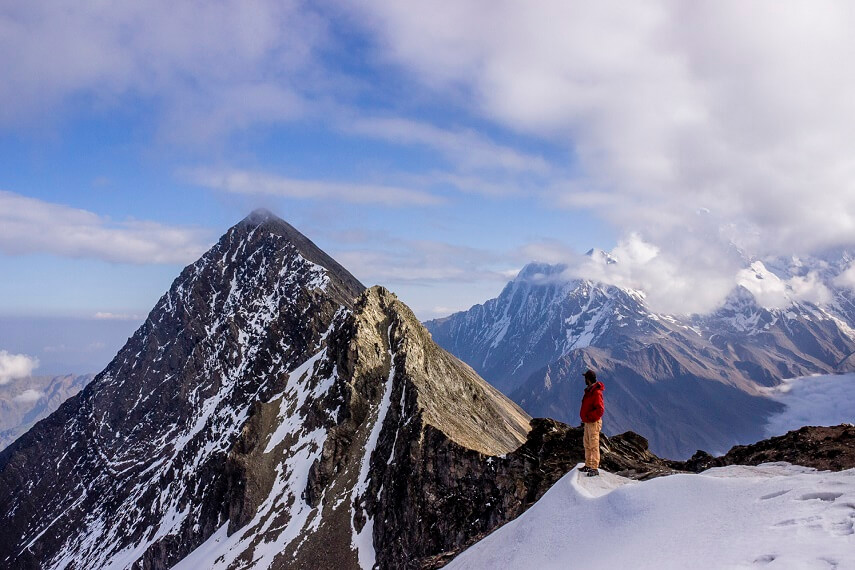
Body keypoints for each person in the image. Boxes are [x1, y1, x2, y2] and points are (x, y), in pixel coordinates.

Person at [579, 368, 604, 477]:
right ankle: (588, 465)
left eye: (585, 378)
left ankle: (594, 467)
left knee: (594, 445)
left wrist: (589, 417)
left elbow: (600, 410)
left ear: (588, 379)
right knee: (587, 444)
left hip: (593, 423)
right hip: (588, 422)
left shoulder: (596, 393)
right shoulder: (590, 391)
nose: (584, 380)